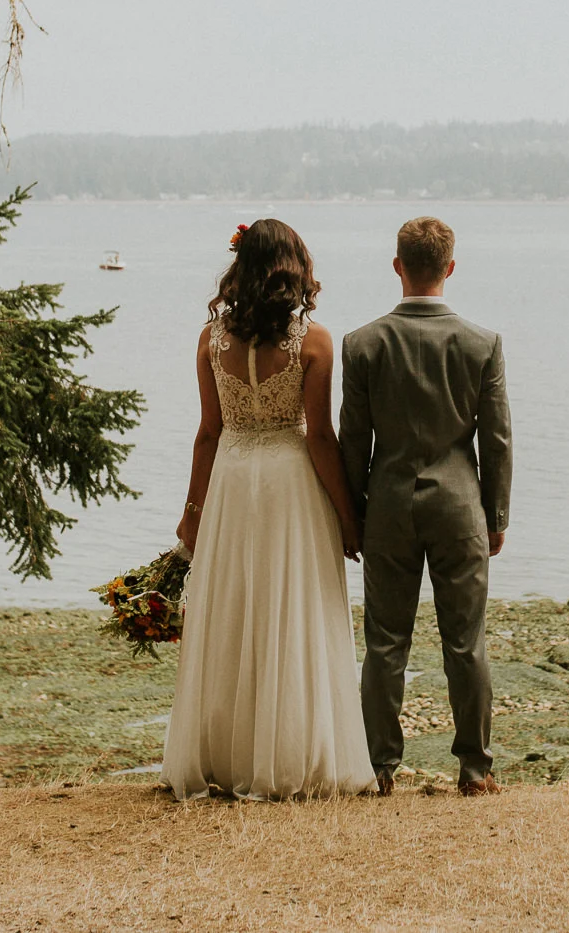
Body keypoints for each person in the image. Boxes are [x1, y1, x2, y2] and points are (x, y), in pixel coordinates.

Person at [161, 219, 375, 800]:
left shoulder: (210, 340)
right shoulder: (314, 341)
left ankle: (223, 756)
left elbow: (208, 433)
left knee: (232, 610)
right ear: (294, 269)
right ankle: (290, 755)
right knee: (292, 607)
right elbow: (320, 439)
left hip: (231, 478)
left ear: (242, 267)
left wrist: (192, 513)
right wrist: (349, 516)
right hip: (289, 485)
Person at [340, 216, 513, 796]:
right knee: (465, 640)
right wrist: (497, 516)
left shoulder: (363, 344)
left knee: (385, 642)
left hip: (388, 506)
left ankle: (379, 769)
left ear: (397, 267)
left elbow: (351, 441)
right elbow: (497, 441)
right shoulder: (480, 343)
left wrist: (353, 514)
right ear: (451, 267)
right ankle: (474, 768)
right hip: (460, 506)